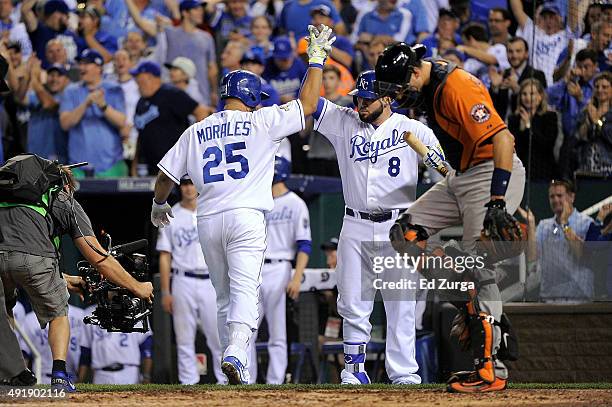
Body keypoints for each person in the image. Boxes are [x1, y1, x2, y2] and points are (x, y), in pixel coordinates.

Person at [149, 24, 333, 385]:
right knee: (246, 291)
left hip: (208, 217)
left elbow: (165, 176)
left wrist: (158, 204)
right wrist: (314, 59)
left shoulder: (196, 129)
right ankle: (235, 352)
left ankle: (231, 367)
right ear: (252, 98)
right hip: (246, 216)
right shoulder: (261, 120)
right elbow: (308, 104)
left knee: (224, 297)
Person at [375, 42, 526, 392]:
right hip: (459, 176)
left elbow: (504, 139)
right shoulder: (425, 79)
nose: (399, 97)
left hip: (490, 173)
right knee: (405, 234)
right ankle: (473, 306)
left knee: (479, 270)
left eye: (400, 88)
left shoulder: (457, 85)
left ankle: (492, 370)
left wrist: (498, 202)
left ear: (415, 72)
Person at [313, 69, 443, 384]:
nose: (360, 103)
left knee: (401, 304)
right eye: (358, 97)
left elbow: (447, 175)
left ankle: (403, 374)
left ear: (387, 99)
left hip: (398, 226)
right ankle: (354, 372)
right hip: (355, 223)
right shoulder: (345, 122)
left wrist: (429, 157)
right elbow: (309, 104)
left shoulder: (412, 129)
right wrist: (315, 62)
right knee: (353, 302)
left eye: (367, 98)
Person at [0, 155, 154, 391]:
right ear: (68, 184)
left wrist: (66, 280)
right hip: (36, 260)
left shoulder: (9, 196)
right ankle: (60, 375)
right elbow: (98, 257)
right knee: (59, 314)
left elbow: (15, 256)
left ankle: (12, 373)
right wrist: (137, 286)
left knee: (5, 309)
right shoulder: (61, 197)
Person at [247, 156, 312, 384]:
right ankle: (248, 380)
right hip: (255, 268)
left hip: (280, 267)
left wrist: (296, 276)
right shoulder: (257, 200)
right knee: (248, 330)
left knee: (277, 331)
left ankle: (275, 382)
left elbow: (304, 244)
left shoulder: (295, 203)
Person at [156, 178, 224, 384]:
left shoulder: (213, 211)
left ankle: (226, 383)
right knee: (184, 337)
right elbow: (165, 256)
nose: (188, 187)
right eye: (184, 184)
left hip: (210, 281)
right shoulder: (170, 215)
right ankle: (188, 384)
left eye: (191, 183)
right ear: (180, 187)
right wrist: (166, 292)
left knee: (219, 337)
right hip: (183, 280)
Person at [131, 61, 209, 176]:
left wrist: (195, 148)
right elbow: (141, 135)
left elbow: (201, 112)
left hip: (175, 166)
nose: (136, 82)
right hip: (151, 166)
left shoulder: (171, 94)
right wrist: (134, 165)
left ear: (149, 77)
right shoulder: (141, 102)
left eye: (138, 78)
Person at [523, 180, 594, 303]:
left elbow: (582, 256)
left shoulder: (587, 223)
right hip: (549, 299)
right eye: (552, 196)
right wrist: (531, 225)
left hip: (579, 300)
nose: (555, 200)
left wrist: (565, 223)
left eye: (559, 196)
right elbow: (532, 257)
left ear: (571, 197)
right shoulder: (544, 226)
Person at [59, 49, 127, 177]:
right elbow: (65, 123)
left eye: (86, 64)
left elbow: (121, 122)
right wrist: (85, 104)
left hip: (110, 165)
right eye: (80, 64)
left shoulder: (114, 89)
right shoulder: (71, 91)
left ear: (99, 67)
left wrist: (103, 105)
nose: (81, 67)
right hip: (78, 167)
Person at [156, 0, 219, 106]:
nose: (201, 12)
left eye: (201, 10)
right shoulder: (169, 33)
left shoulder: (207, 37)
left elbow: (212, 68)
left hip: (200, 94)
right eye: (196, 9)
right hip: (174, 93)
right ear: (185, 13)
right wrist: (159, 24)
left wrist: (213, 91)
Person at [510, 0, 580, 87]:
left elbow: (573, 15)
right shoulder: (534, 32)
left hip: (557, 83)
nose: (548, 21)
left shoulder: (565, 35)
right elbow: (517, 10)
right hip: (534, 85)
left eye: (552, 17)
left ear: (559, 18)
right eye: (545, 17)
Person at [78, 310, 153, 384]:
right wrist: (80, 379)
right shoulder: (89, 314)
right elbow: (85, 352)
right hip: (101, 374)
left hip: (129, 372)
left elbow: (146, 348)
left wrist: (146, 376)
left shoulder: (136, 311)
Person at [507, 78, 560, 181]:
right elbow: (514, 148)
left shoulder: (550, 117)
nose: (527, 98)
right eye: (524, 94)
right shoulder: (514, 119)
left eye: (532, 94)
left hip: (543, 171)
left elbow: (547, 144)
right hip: (520, 172)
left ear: (540, 97)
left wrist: (528, 126)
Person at [19, 304, 84, 383]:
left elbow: (86, 350)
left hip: (71, 376)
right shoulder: (30, 319)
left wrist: (81, 378)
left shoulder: (80, 314)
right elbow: (24, 354)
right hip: (41, 377)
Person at [489, 37, 547, 121]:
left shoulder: (537, 75)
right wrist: (494, 88)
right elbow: (494, 108)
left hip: (525, 127)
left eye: (518, 51)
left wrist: (517, 89)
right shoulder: (503, 75)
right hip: (502, 128)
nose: (514, 55)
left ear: (526, 53)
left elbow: (540, 106)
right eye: (510, 51)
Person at [307, 64, 350, 176]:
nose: (327, 82)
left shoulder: (348, 103)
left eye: (331, 78)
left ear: (339, 81)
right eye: (324, 78)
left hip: (336, 158)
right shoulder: (314, 103)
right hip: (316, 156)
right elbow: (304, 132)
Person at [23, 62, 70, 163]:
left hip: (59, 158)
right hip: (35, 158)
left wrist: (34, 79)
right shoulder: (36, 96)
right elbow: (19, 98)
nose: (54, 79)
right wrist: (27, 75)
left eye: (59, 75)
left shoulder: (68, 97)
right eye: (51, 75)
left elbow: (48, 104)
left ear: (67, 79)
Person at [574, 72, 612, 176]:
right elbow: (578, 137)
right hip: (586, 164)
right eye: (597, 87)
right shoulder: (586, 111)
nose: (600, 90)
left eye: (605, 87)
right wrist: (588, 120)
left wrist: (597, 121)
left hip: (608, 167)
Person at [21, 0, 79, 65]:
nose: (67, 17)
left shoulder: (70, 33)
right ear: (55, 14)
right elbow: (25, 10)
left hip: (71, 71)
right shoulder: (40, 30)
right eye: (64, 14)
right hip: (49, 72)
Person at [263, 36, 308, 103]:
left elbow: (307, 89)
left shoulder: (299, 65)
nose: (283, 62)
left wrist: (295, 100)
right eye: (280, 59)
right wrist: (277, 98)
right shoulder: (266, 66)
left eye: (285, 59)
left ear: (292, 54)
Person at [113, 49, 139, 161]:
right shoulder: (109, 86)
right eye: (117, 59)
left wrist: (130, 125)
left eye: (124, 59)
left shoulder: (137, 85)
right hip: (114, 135)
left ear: (131, 63)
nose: (120, 62)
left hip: (135, 134)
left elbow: (141, 108)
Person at [279, 0, 344, 39]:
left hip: (318, 52)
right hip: (292, 54)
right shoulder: (288, 5)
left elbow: (339, 28)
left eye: (320, 17)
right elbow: (281, 29)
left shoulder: (324, 2)